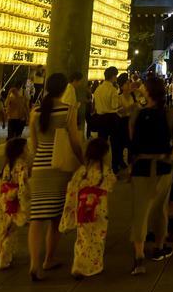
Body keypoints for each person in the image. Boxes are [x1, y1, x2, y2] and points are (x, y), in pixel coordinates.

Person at [129, 77, 173, 274]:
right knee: (160, 208)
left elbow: (131, 138)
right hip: (163, 166)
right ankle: (158, 246)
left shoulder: (136, 115)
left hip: (140, 166)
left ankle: (139, 255)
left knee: (141, 209)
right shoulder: (170, 114)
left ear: (148, 92)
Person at [27, 75, 85, 279]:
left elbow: (32, 143)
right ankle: (48, 258)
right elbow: (75, 141)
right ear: (64, 89)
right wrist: (83, 161)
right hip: (59, 166)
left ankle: (34, 263)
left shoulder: (36, 113)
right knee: (55, 217)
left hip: (40, 166)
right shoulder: (68, 111)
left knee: (37, 217)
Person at [64, 137, 116, 279]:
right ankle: (93, 266)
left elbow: (72, 187)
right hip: (99, 208)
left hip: (82, 206)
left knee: (82, 237)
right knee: (97, 237)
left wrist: (71, 207)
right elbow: (110, 184)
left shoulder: (82, 171)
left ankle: (78, 265)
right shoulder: (105, 171)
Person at [0, 137, 29, 270]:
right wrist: (25, 205)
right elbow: (23, 186)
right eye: (26, 148)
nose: (28, 150)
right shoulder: (22, 165)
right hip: (14, 201)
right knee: (10, 230)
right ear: (20, 150)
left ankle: (2, 253)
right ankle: (4, 259)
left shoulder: (6, 165)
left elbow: (0, 184)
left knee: (3, 228)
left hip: (3, 200)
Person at [92, 67, 128, 172]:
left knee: (101, 143)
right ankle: (115, 165)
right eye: (116, 75)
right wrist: (121, 106)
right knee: (115, 143)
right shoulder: (112, 90)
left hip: (100, 118)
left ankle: (99, 164)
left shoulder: (98, 89)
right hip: (111, 118)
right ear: (113, 76)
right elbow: (114, 106)